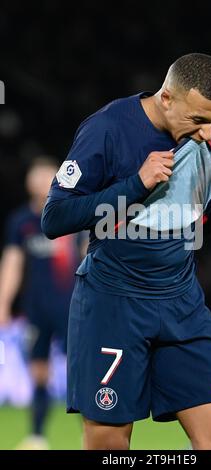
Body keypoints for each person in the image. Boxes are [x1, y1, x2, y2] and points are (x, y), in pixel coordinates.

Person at [41, 53, 211, 450]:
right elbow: (55, 217)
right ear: (167, 98)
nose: (208, 133)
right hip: (113, 304)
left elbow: (197, 228)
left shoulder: (206, 131)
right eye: (199, 121)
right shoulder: (107, 129)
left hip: (180, 301)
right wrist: (135, 184)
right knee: (109, 448)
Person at [0, 157, 83, 450]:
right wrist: (3, 302)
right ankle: (36, 437)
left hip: (73, 307)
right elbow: (13, 262)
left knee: (80, 372)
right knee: (39, 372)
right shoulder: (21, 222)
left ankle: (90, 434)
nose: (42, 182)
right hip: (36, 309)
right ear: (28, 182)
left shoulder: (73, 216)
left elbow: (90, 255)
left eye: (48, 176)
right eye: (37, 177)